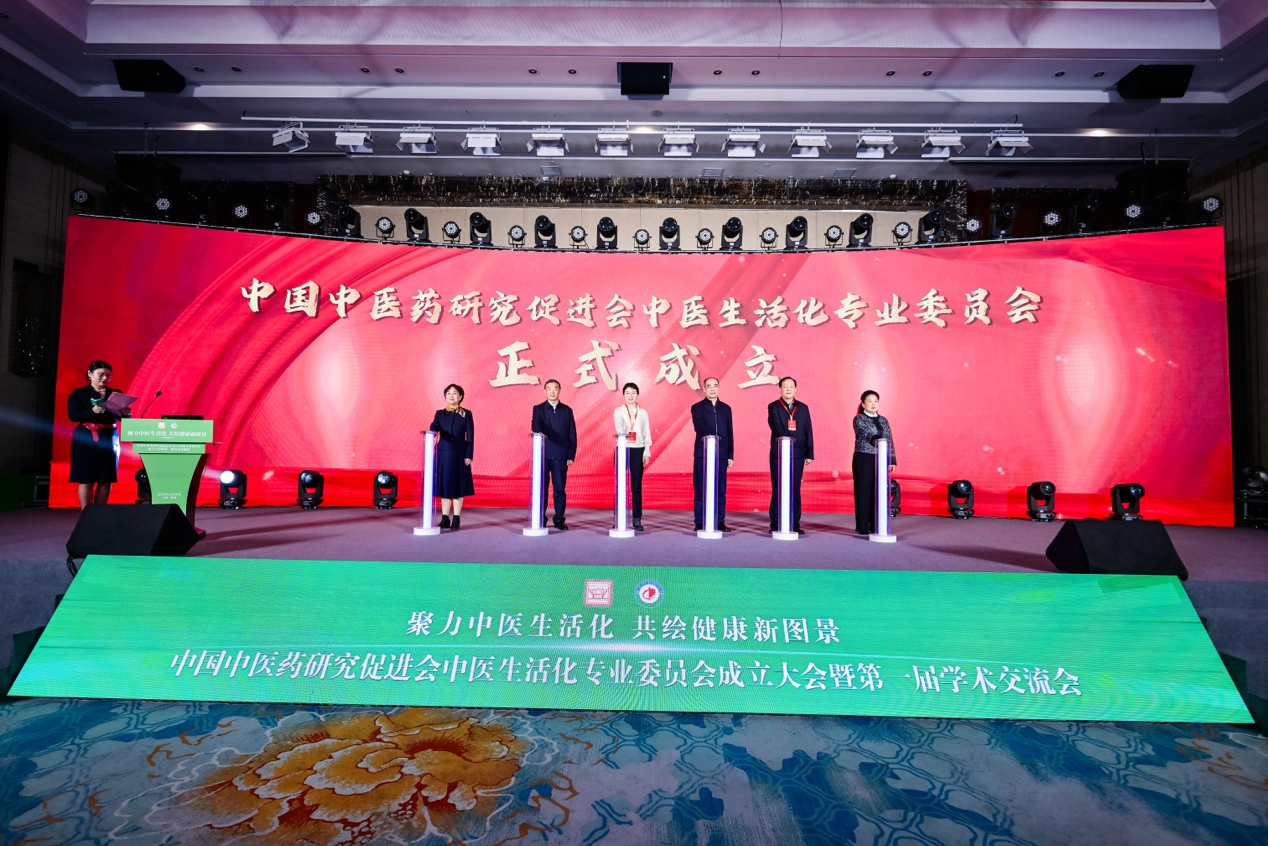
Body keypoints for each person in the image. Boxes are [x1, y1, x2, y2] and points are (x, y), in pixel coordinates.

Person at [68, 360, 132, 509]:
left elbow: (121, 418)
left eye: (108, 375)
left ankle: (99, 513)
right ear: (90, 374)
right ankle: (86, 513)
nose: (104, 378)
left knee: (106, 478)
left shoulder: (115, 394)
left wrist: (126, 413)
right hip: (85, 438)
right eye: (101, 374)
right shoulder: (79, 393)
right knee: (86, 478)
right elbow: (73, 416)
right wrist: (92, 411)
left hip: (109, 438)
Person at [767, 376, 813, 533]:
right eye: (785, 386)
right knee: (778, 487)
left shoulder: (803, 408)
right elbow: (775, 424)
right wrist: (787, 439)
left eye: (791, 386)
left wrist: (809, 452)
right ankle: (776, 523)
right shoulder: (773, 406)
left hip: (798, 454)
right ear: (780, 389)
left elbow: (808, 430)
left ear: (795, 389)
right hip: (779, 454)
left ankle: (794, 523)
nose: (788, 389)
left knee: (795, 489)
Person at [531, 379, 578, 530]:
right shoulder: (539, 409)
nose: (552, 391)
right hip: (543, 455)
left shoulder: (567, 410)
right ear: (545, 391)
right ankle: (540, 518)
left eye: (555, 388)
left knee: (559, 490)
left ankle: (559, 519)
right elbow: (536, 427)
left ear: (560, 391)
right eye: (549, 389)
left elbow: (572, 434)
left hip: (560, 455)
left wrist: (570, 455)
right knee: (541, 489)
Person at [691, 376, 734, 532]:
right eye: (709, 386)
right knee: (700, 488)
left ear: (719, 387)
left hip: (721, 454)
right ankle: (700, 521)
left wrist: (730, 454)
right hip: (702, 453)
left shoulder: (726, 408)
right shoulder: (697, 407)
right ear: (704, 389)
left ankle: (719, 520)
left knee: (720, 489)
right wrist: (713, 436)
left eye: (715, 385)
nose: (712, 389)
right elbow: (698, 425)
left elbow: (730, 432)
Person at [429, 384, 474, 530]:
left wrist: (468, 455)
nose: (451, 396)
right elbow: (434, 426)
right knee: (445, 485)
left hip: (460, 453)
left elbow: (470, 436)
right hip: (444, 452)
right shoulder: (440, 414)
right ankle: (444, 518)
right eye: (448, 393)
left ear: (460, 396)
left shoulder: (466, 414)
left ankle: (456, 518)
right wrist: (432, 430)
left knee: (458, 486)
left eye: (454, 393)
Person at [853, 390, 897, 535]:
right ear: (863, 404)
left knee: (877, 492)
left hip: (881, 459)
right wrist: (878, 440)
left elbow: (890, 439)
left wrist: (892, 459)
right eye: (869, 401)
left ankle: (876, 524)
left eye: (876, 401)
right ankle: (862, 526)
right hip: (864, 458)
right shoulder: (859, 419)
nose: (873, 404)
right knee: (863, 491)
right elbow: (865, 433)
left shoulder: (884, 420)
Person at [613, 382, 652, 531]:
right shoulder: (618, 410)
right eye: (627, 393)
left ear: (638, 394)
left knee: (636, 486)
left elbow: (646, 432)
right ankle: (619, 517)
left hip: (638, 449)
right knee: (620, 485)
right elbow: (619, 426)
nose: (630, 396)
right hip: (623, 448)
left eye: (633, 392)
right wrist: (624, 436)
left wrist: (646, 451)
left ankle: (637, 519)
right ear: (623, 395)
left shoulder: (643, 413)